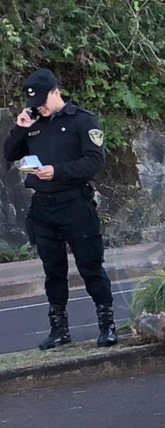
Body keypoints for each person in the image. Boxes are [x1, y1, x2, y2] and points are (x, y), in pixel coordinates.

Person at [3, 68, 117, 350]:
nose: (38, 106)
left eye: (42, 100)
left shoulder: (82, 120)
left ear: (56, 91)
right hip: (43, 208)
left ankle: (107, 324)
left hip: (75, 204)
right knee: (53, 271)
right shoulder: (33, 122)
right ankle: (59, 329)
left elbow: (94, 161)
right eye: (34, 102)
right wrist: (20, 127)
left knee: (90, 266)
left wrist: (58, 172)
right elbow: (9, 153)